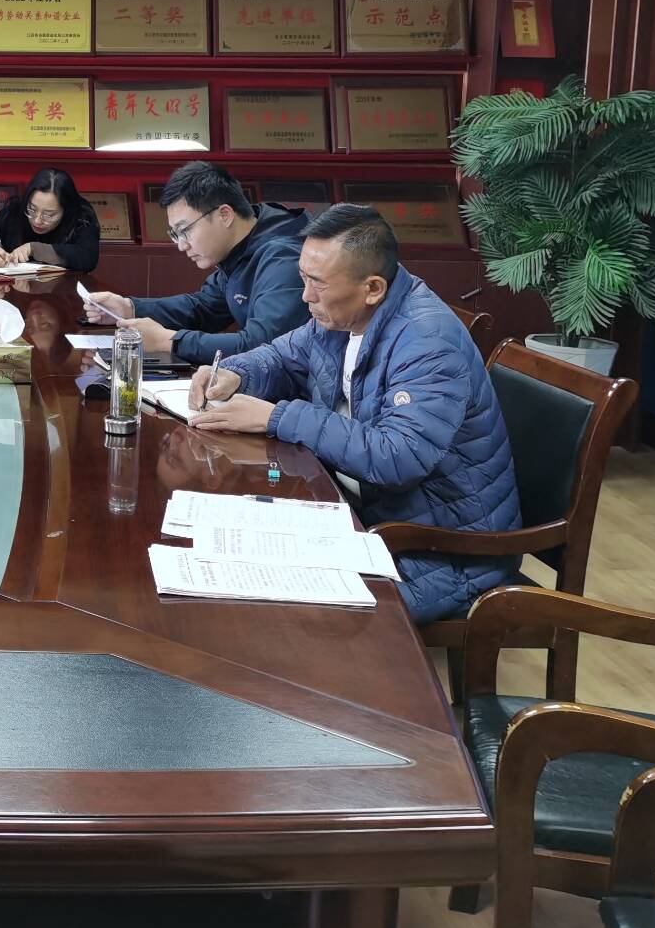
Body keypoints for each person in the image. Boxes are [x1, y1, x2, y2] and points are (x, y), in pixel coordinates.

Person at [186, 204, 522, 623]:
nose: (306, 296)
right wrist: (236, 373)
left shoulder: (428, 343)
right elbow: (282, 355)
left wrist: (276, 417)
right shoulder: (341, 316)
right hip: (369, 512)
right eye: (303, 278)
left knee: (276, 610)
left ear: (373, 288)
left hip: (443, 549)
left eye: (318, 284)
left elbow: (396, 456)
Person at [82, 161, 308, 364]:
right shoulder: (242, 246)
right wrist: (129, 308)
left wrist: (169, 342)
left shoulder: (284, 258)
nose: (182, 245)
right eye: (176, 234)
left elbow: (262, 345)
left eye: (185, 230)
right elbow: (205, 308)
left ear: (225, 215)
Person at [0, 167, 101, 272]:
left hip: (65, 297)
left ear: (66, 210)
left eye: (49, 215)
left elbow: (87, 257)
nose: (37, 220)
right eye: (32, 209)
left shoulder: (81, 218)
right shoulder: (15, 211)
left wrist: (34, 248)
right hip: (14, 294)